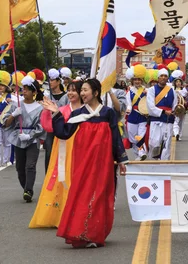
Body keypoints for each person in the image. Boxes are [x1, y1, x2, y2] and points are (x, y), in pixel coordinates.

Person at [41, 78, 128, 248]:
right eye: (82, 91)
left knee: (100, 196)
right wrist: (56, 113)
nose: (82, 93)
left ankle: (95, 233)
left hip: (103, 162)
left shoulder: (107, 113)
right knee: (83, 194)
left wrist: (121, 160)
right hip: (83, 162)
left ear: (95, 93)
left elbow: (115, 138)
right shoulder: (78, 114)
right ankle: (81, 231)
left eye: (85, 90)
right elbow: (63, 133)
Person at [30, 81, 84, 228]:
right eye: (69, 90)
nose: (71, 93)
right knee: (61, 177)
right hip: (63, 148)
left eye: (74, 90)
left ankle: (78, 213)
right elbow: (49, 127)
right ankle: (59, 214)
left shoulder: (87, 110)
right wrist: (50, 111)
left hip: (81, 148)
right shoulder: (63, 109)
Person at [2, 76, 45, 203]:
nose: (24, 91)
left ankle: (29, 190)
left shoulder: (41, 108)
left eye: (27, 89)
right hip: (18, 138)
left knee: (30, 165)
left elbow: (42, 126)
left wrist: (31, 135)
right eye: (23, 89)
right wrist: (14, 115)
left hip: (32, 139)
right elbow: (6, 122)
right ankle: (25, 187)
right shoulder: (16, 105)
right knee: (20, 167)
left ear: (34, 92)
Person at [146, 68, 177, 160]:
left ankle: (164, 163)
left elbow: (174, 104)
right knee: (154, 143)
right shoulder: (152, 90)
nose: (163, 78)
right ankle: (155, 160)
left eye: (165, 76)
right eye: (161, 76)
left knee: (166, 143)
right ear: (158, 78)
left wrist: (175, 111)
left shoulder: (171, 90)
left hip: (168, 120)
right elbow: (150, 107)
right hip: (156, 119)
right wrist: (163, 111)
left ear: (167, 78)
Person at [44, 68, 69, 172]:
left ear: (59, 81)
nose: (50, 82)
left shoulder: (66, 96)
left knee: (63, 154)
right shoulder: (46, 95)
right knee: (49, 153)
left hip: (63, 127)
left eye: (52, 80)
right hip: (50, 129)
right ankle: (48, 177)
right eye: (49, 80)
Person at [125, 65, 148, 160]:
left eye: (139, 79)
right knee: (132, 137)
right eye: (135, 80)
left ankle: (142, 152)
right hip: (132, 115)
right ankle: (137, 154)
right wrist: (128, 109)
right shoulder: (129, 92)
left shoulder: (146, 91)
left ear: (141, 80)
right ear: (132, 81)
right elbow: (128, 103)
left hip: (142, 115)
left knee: (140, 135)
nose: (137, 81)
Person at [171, 70, 188, 141]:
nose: (178, 83)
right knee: (175, 121)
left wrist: (178, 92)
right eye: (177, 82)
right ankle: (176, 133)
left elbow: (184, 94)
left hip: (183, 108)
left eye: (179, 82)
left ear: (181, 83)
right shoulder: (172, 89)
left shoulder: (184, 90)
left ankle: (179, 134)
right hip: (175, 108)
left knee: (181, 122)